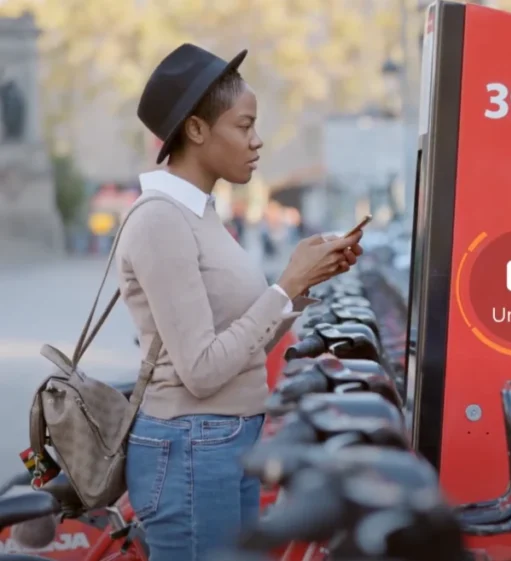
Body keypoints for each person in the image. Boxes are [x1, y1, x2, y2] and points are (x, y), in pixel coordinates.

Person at [117, 44, 363, 561]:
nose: (257, 141)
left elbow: (239, 345)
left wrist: (300, 283)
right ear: (196, 130)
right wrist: (283, 286)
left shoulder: (201, 213)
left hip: (222, 442)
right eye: (244, 125)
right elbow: (202, 371)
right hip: (192, 448)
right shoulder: (161, 219)